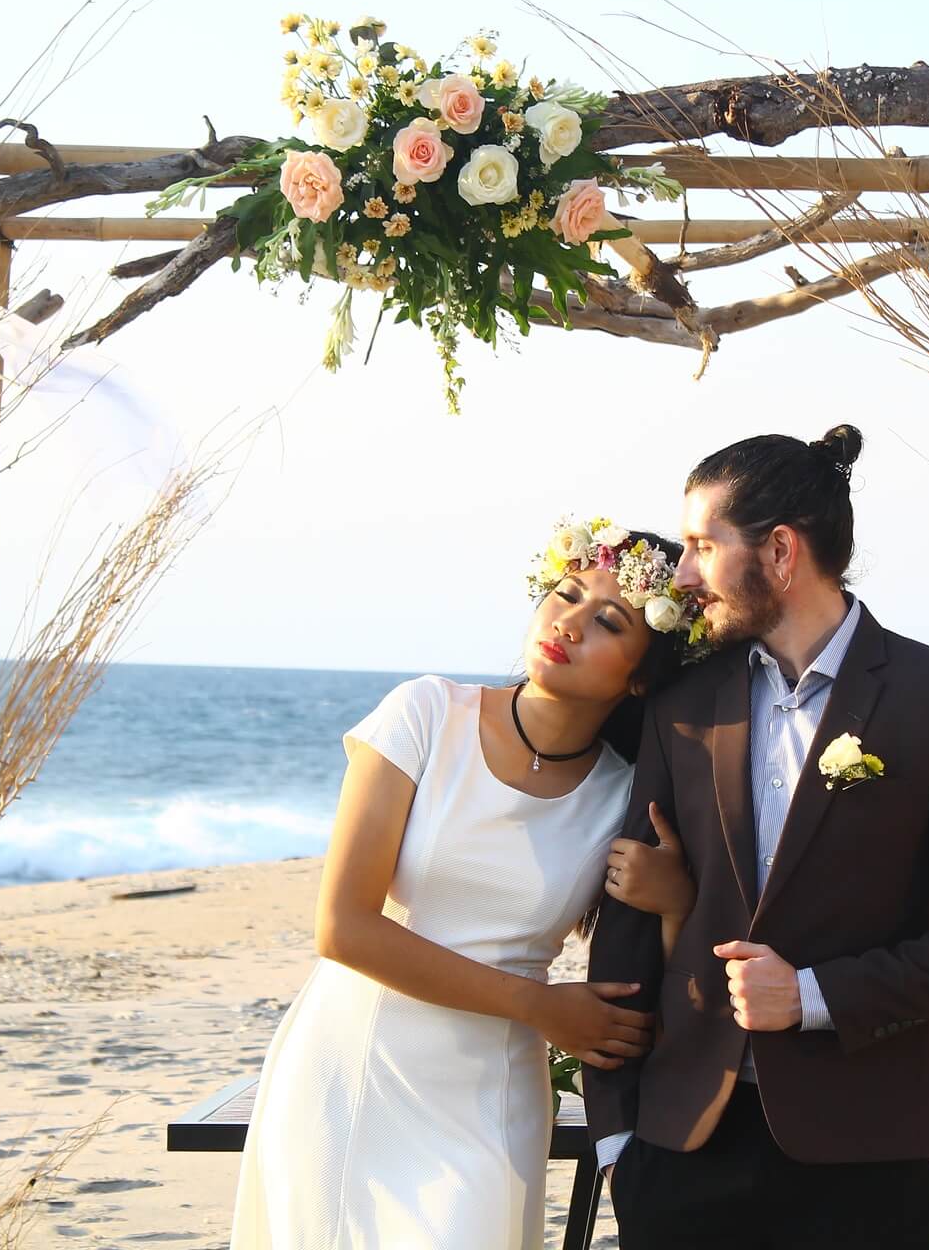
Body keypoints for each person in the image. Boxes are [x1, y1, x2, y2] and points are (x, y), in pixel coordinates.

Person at [586, 427, 929, 1250]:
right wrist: (619, 1136)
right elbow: (625, 931)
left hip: (866, 1156)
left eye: (700, 545)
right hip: (682, 1149)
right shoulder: (680, 703)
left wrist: (812, 996)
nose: (684, 574)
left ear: (782, 551)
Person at [230, 518, 706, 1250]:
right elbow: (343, 928)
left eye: (606, 621)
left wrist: (675, 899)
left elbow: (661, 975)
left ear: (642, 674)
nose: (567, 623)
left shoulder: (626, 798)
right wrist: (540, 1006)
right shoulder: (424, 714)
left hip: (492, 1094)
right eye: (565, 593)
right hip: (354, 1062)